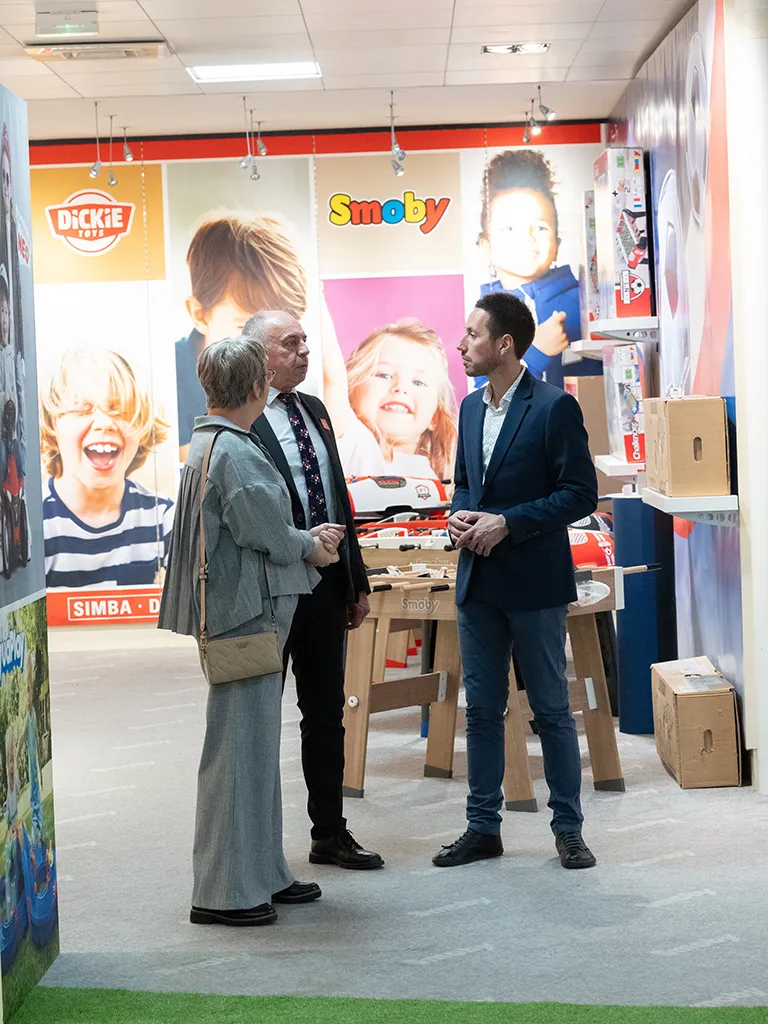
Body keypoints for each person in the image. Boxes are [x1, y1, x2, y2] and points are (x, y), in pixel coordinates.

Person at [158, 335, 345, 926]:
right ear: (259, 385)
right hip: (247, 616)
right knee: (239, 754)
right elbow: (265, 529)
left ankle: (262, 873)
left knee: (253, 752)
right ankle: (225, 892)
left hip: (243, 612)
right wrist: (313, 545)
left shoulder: (211, 441)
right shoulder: (236, 452)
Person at [435, 291, 599, 871]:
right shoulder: (471, 407)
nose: (461, 345)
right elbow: (462, 482)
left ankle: (568, 831)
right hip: (478, 582)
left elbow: (580, 495)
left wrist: (509, 523)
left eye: (472, 335)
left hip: (533, 582)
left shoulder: (554, 408)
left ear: (503, 344)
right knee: (480, 710)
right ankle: (483, 828)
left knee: (551, 710)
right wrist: (461, 513)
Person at [246, 310, 384, 870]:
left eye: (306, 341)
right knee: (256, 716)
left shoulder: (315, 410)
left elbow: (337, 502)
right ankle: (256, 847)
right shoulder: (242, 422)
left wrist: (356, 582)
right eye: (290, 343)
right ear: (258, 354)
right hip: (268, 592)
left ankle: (329, 832)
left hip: (325, 588)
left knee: (325, 713)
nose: (304, 351)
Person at [175, 213, 308, 460]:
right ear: (200, 314)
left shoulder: (294, 390)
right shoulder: (174, 380)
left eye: (284, 331)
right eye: (247, 328)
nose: (269, 350)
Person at [39, 347, 174, 590]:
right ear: (52, 424)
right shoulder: (33, 524)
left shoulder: (163, 517)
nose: (104, 423)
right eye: (82, 409)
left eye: (120, 411)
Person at [476, 149, 598, 391]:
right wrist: (536, 353)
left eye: (540, 228)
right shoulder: (485, 318)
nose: (526, 238)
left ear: (557, 245)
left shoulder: (586, 301)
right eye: (509, 228)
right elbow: (485, 399)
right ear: (486, 245)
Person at [322, 318, 458, 480]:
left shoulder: (432, 476)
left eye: (418, 382)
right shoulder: (354, 442)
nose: (401, 388)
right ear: (349, 392)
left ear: (435, 416)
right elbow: (332, 378)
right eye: (384, 375)